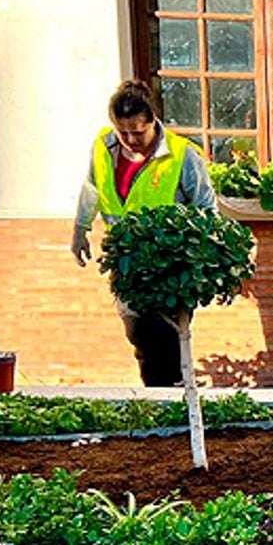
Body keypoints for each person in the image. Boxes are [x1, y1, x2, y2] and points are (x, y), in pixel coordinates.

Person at [71, 79, 216, 387]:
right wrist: (80, 228)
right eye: (123, 132)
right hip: (126, 260)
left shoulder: (182, 155)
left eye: (138, 131)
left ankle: (170, 395)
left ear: (153, 121)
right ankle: (165, 394)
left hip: (171, 266)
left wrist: (204, 260)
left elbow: (206, 207)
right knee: (137, 331)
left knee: (164, 334)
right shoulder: (104, 146)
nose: (130, 139)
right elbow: (91, 187)